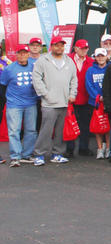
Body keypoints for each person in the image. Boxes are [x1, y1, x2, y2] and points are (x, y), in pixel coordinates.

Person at [31, 36, 77, 165]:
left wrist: (72, 94)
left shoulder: (69, 61)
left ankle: (57, 153)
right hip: (49, 103)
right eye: (57, 45)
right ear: (51, 46)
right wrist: (45, 94)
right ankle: (39, 154)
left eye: (62, 45)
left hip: (64, 102)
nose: (60, 48)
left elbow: (74, 79)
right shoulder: (43, 60)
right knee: (46, 129)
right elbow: (37, 78)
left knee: (60, 131)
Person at [1, 45, 39, 167]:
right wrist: (6, 100)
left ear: (28, 54)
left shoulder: (34, 67)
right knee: (14, 131)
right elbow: (2, 86)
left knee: (31, 130)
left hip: (31, 103)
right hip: (14, 105)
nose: (22, 55)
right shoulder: (9, 69)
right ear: (16, 54)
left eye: (25, 53)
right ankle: (15, 156)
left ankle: (26, 155)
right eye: (20, 53)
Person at [66, 39, 94, 157]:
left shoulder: (92, 61)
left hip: (86, 98)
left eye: (86, 48)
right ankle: (70, 149)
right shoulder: (67, 60)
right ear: (75, 48)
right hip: (70, 98)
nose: (83, 50)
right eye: (81, 48)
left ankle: (83, 148)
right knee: (70, 124)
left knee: (84, 125)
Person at [85, 48, 110, 159]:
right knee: (98, 126)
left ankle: (108, 148)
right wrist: (97, 97)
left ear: (106, 57)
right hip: (95, 103)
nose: (100, 58)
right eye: (98, 56)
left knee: (108, 126)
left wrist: (107, 96)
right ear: (95, 57)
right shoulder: (90, 70)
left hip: (108, 102)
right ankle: (100, 149)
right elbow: (88, 85)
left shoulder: (110, 68)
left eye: (102, 56)